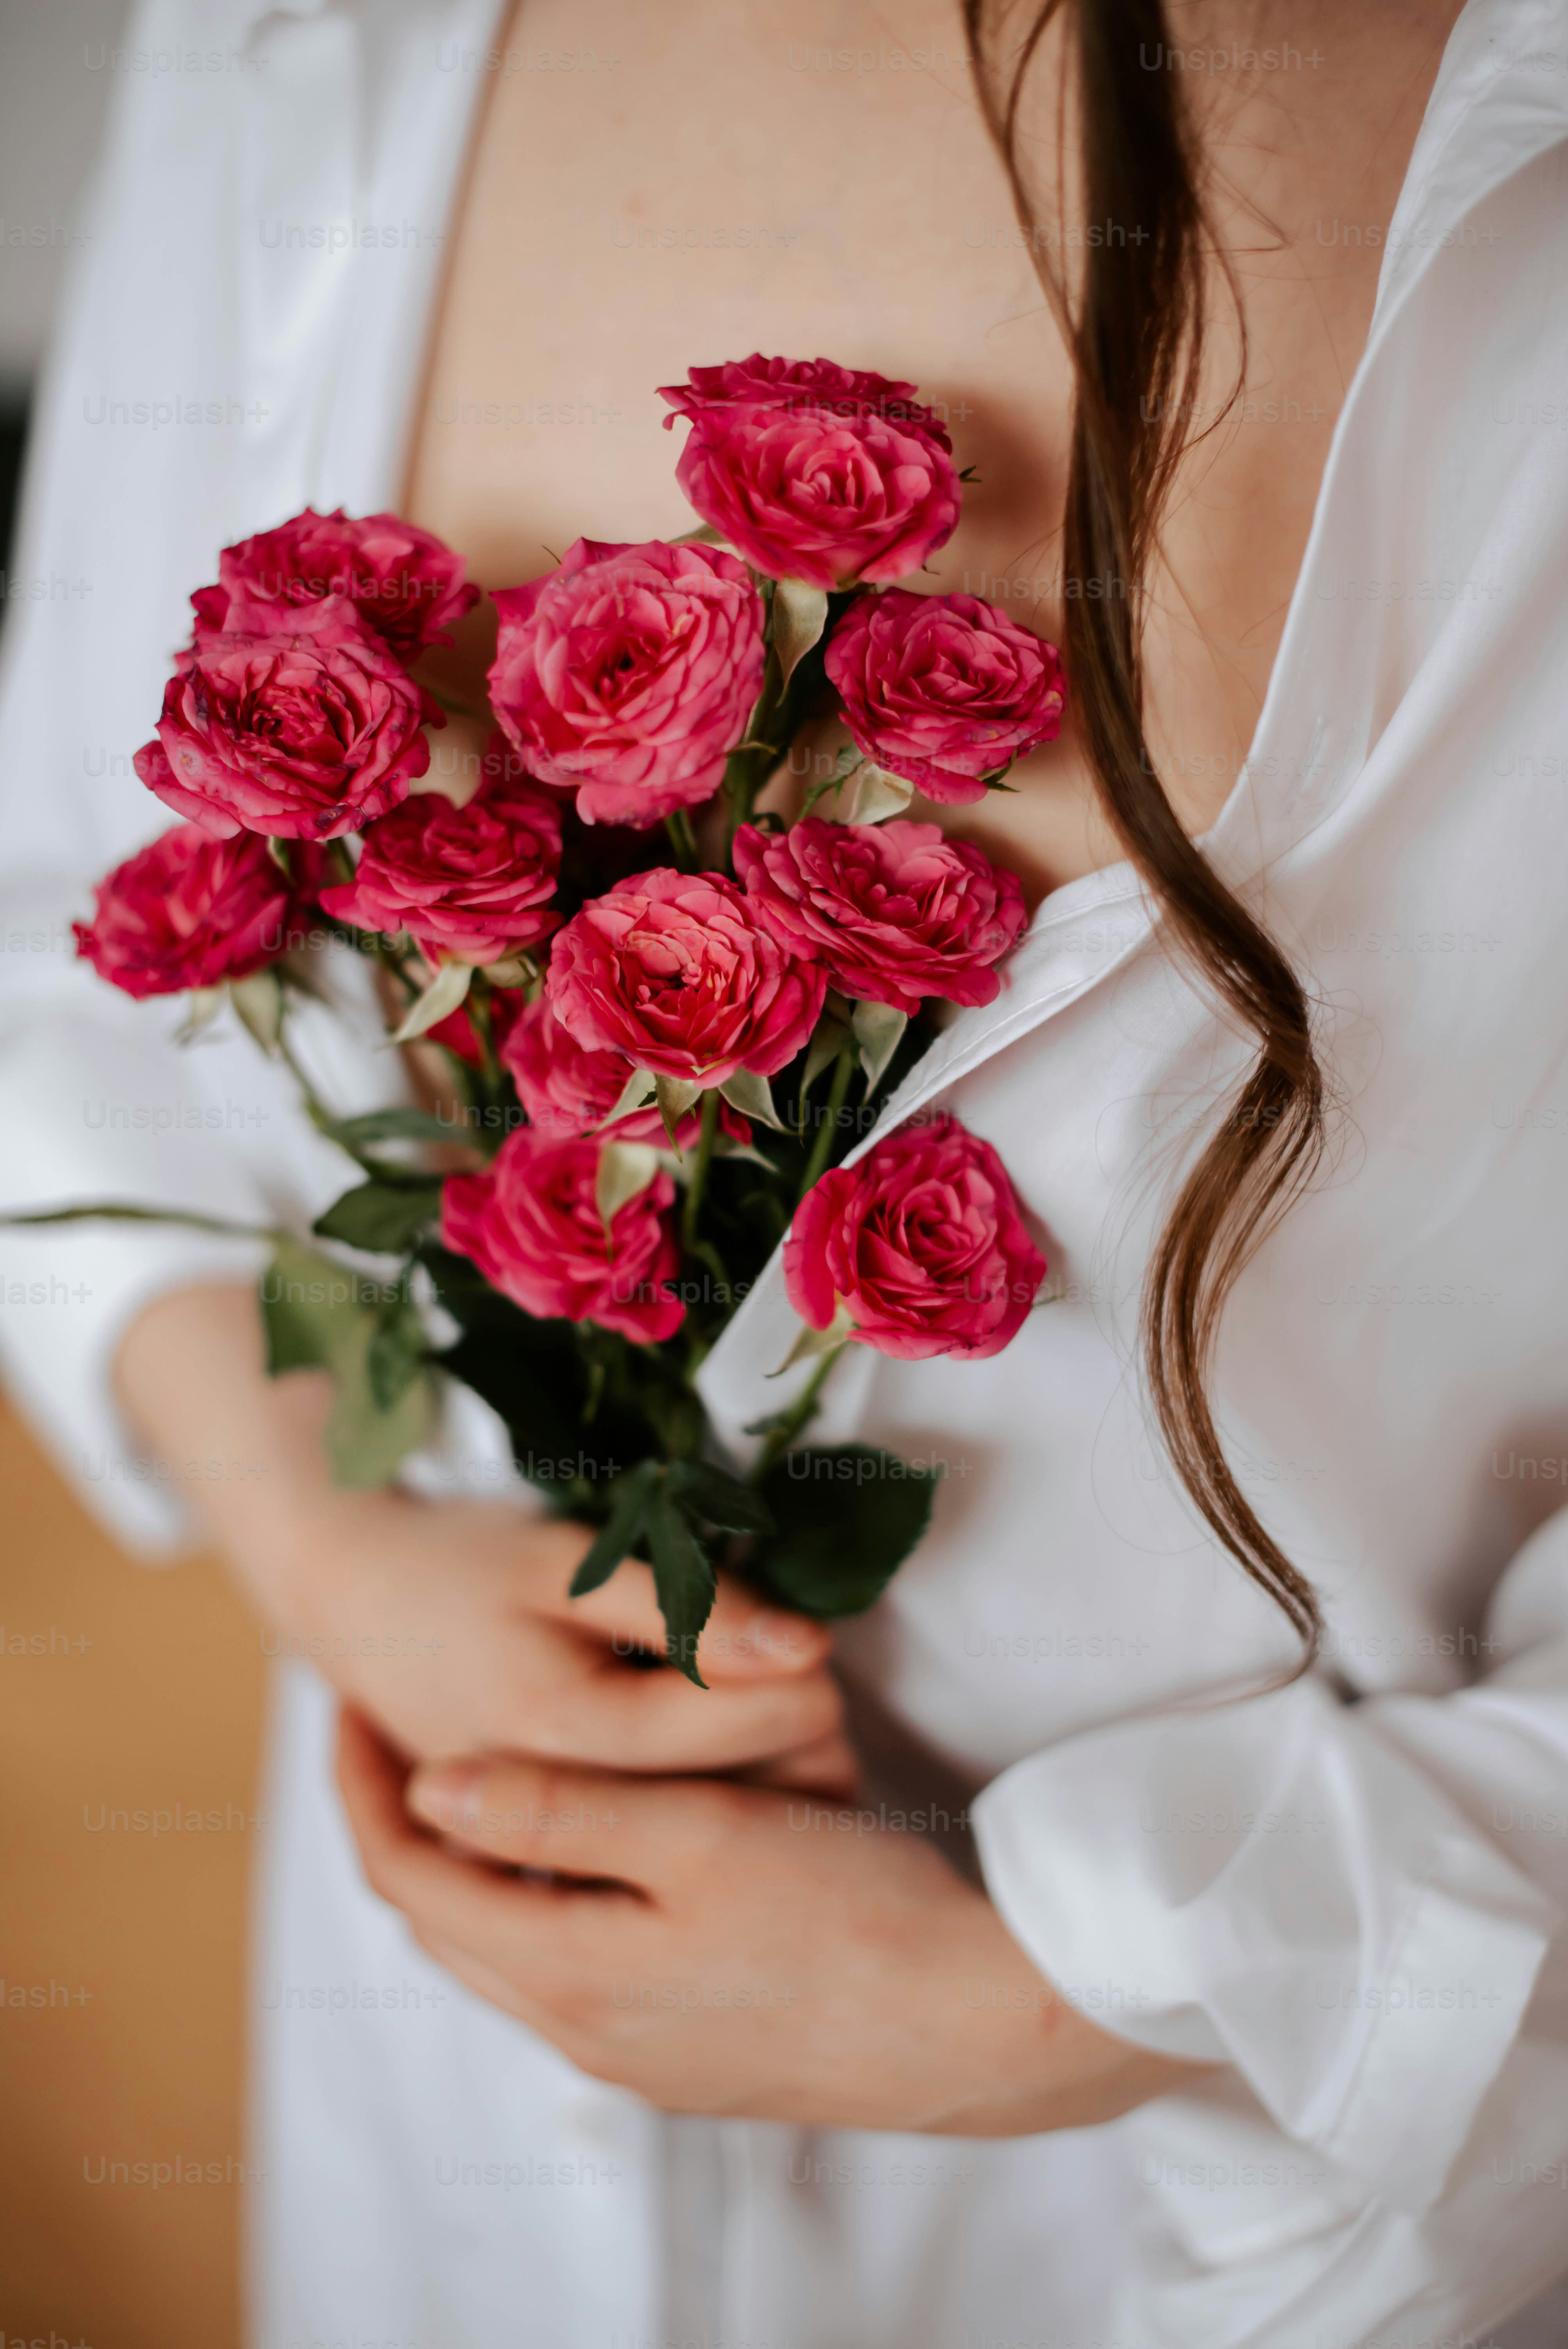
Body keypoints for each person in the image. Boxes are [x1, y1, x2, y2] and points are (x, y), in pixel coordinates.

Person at [3, 0, 1568, 2342]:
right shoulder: (300, 39)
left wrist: (1070, 2000)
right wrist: (330, 1535)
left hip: (1293, 2167)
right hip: (465, 2082)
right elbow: (56, 932)